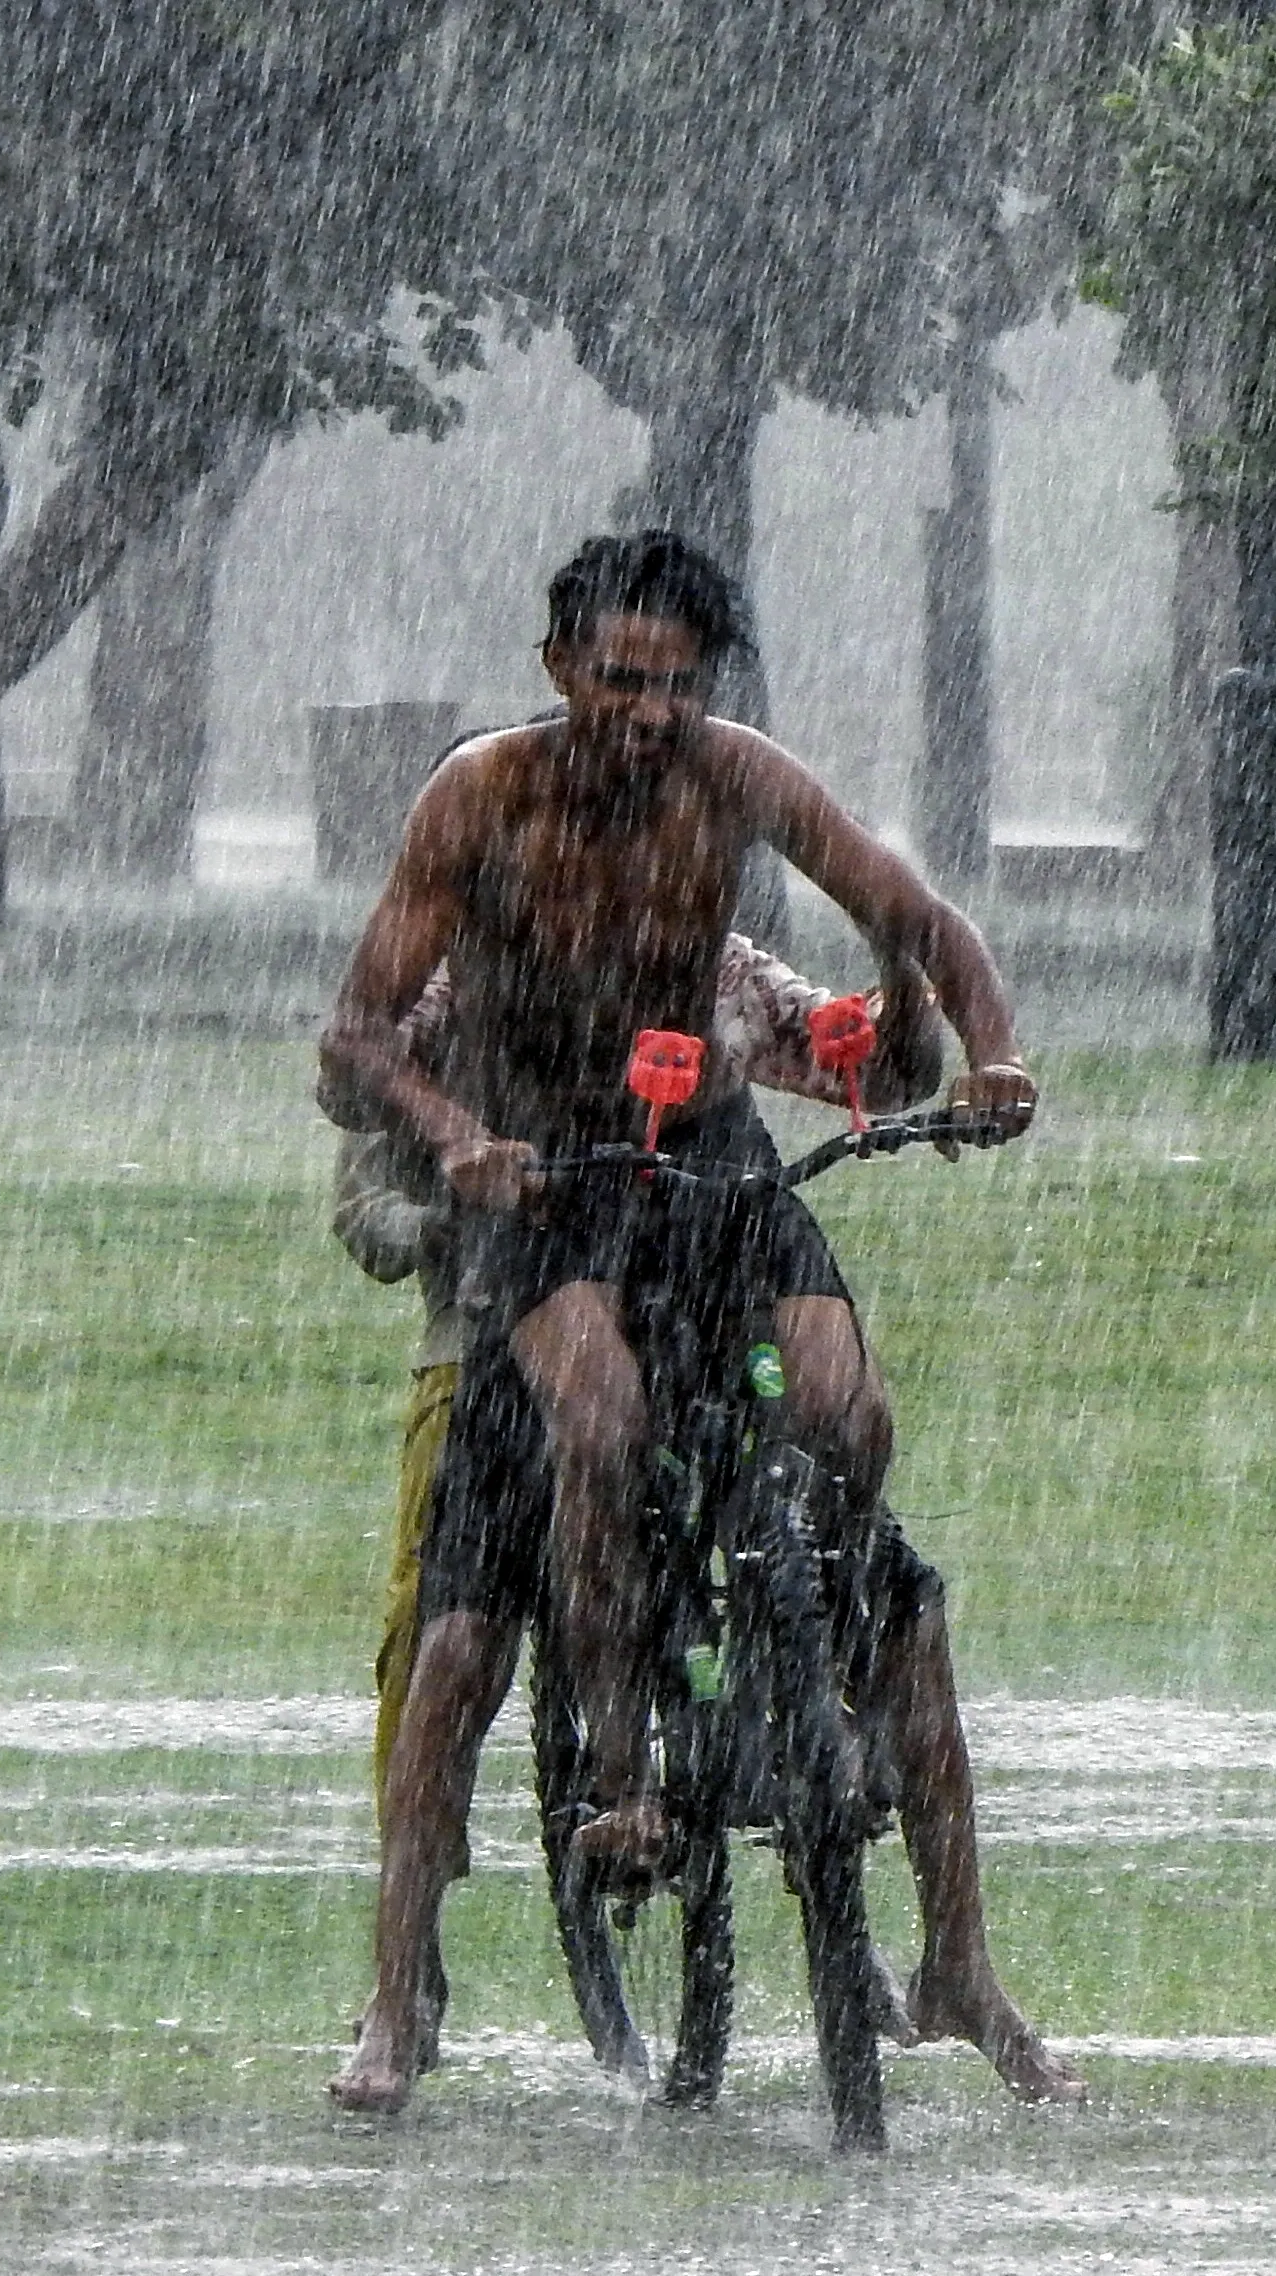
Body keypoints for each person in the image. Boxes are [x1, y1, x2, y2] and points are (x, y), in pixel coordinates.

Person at [318, 529, 1046, 2107]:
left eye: (676, 685)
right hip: (546, 1179)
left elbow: (923, 921)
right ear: (559, 669)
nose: (646, 713)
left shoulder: (738, 781)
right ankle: (594, 1810)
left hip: (705, 1164)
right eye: (618, 680)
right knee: (590, 1428)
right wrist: (454, 1139)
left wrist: (991, 1057)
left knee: (850, 1412)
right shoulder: (482, 797)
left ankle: (842, 1714)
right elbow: (353, 1038)